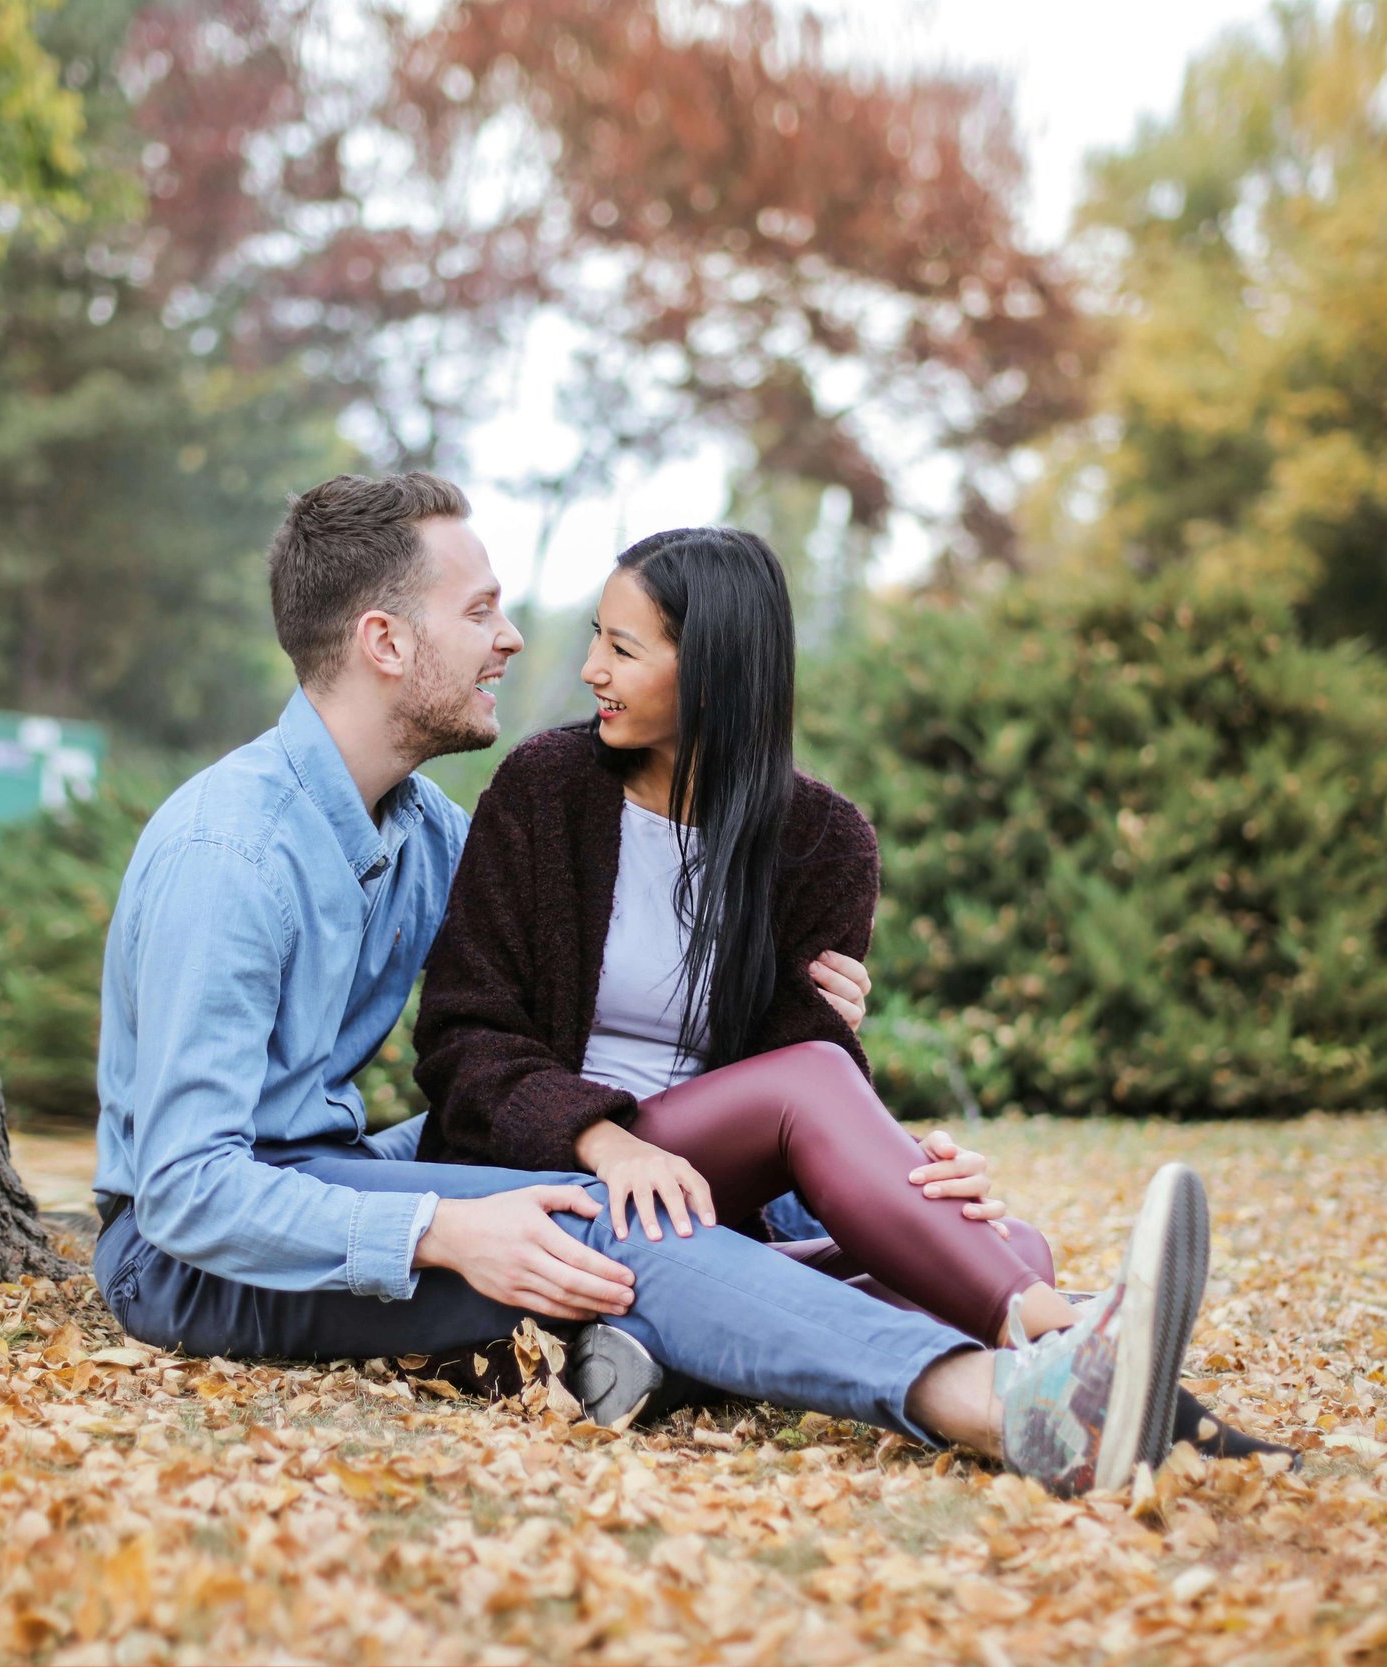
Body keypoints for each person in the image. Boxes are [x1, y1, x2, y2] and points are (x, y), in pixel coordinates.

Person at [89, 473, 1212, 1494]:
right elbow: (188, 1188)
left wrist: (861, 1118)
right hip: (189, 1254)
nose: (517, 641)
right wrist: (439, 1230)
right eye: (478, 612)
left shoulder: (422, 832)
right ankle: (1002, 1400)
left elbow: (551, 979)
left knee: (634, 1211)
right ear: (383, 640)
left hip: (333, 1172)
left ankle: (1022, 1331)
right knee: (604, 1216)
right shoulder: (229, 856)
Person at [411, 526, 1290, 1462]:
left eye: (622, 649)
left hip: (701, 1201)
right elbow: (464, 1035)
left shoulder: (822, 841)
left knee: (1008, 1240)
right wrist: (605, 1138)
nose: (592, 668)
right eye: (598, 637)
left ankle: (655, 1351)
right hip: (547, 1168)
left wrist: (904, 1165)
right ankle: (1066, 1341)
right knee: (966, 1246)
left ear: (714, 668)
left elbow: (794, 1071)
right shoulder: (547, 790)